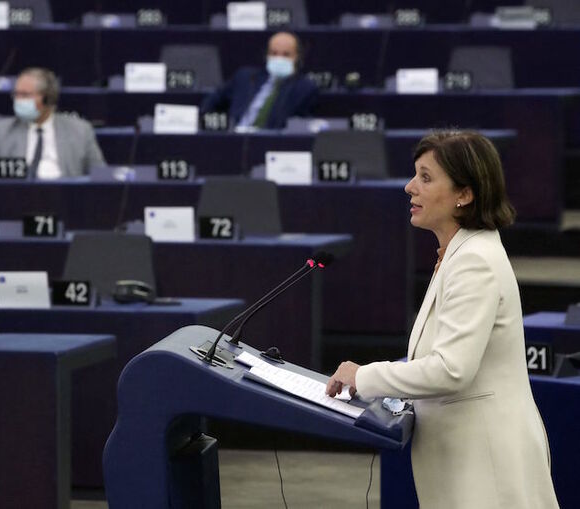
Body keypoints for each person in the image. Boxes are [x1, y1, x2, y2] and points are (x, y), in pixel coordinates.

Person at [326, 130, 559, 508]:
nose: (409, 187)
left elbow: (452, 369)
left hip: (487, 468)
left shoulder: (473, 262)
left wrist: (365, 376)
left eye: (426, 177)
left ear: (464, 195)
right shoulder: (457, 253)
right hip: (468, 461)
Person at [0, 67, 106, 179]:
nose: (18, 101)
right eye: (16, 94)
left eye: (25, 95)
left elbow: (100, 176)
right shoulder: (2, 131)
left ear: (48, 99)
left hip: (66, 197)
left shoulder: (80, 131)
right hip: (16, 196)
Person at [200, 31, 317, 130]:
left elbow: (298, 125)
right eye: (274, 53)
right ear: (267, 55)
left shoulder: (304, 88)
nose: (279, 58)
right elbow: (212, 102)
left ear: (297, 57)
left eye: (286, 55)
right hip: (235, 135)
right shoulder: (245, 77)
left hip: (268, 141)